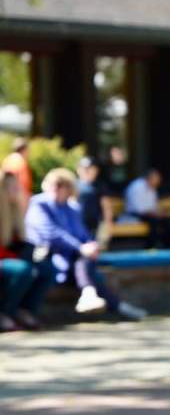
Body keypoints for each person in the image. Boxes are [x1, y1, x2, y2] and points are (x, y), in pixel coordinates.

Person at [24, 168, 147, 320]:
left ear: (69, 188)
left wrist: (91, 245)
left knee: (85, 262)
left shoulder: (72, 208)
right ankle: (113, 303)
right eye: (54, 184)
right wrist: (81, 247)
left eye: (61, 184)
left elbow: (84, 236)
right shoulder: (39, 203)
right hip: (50, 256)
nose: (56, 188)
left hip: (74, 260)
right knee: (89, 270)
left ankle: (91, 295)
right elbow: (50, 233)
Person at [0, 173, 47, 330]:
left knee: (47, 268)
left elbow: (18, 243)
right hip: (5, 260)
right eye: (12, 187)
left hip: (12, 258)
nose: (17, 190)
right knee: (23, 270)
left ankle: (25, 310)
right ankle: (5, 312)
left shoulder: (16, 211)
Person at [124, 168, 170, 249]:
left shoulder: (152, 187)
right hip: (134, 213)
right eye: (156, 181)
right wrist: (154, 213)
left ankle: (167, 246)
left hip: (149, 213)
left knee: (166, 219)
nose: (157, 184)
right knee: (153, 221)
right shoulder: (136, 187)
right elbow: (139, 209)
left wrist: (160, 212)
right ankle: (150, 246)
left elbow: (154, 205)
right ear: (150, 178)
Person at [76, 157, 113, 244]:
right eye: (84, 168)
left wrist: (108, 224)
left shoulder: (100, 186)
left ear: (96, 170)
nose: (87, 170)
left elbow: (106, 206)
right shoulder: (74, 185)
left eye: (90, 168)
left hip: (96, 223)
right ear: (78, 170)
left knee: (98, 246)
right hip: (79, 222)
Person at [2, 137, 33, 213]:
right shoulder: (21, 162)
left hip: (5, 197)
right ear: (24, 149)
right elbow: (23, 185)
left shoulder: (7, 159)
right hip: (17, 200)